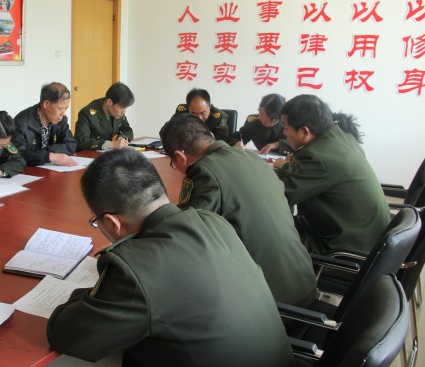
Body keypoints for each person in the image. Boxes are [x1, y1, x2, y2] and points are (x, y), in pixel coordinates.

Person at [46, 149, 293, 366]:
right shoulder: (213, 222)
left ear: (111, 223)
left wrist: (90, 293)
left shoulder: (134, 269)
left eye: (96, 222)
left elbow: (66, 337)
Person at [160, 113, 316, 307]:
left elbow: (186, 238)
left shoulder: (205, 172)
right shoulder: (253, 158)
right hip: (304, 283)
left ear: (179, 156)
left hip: (271, 303)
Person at [273, 94, 390, 255]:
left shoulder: (315, 157)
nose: (284, 133)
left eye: (286, 127)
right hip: (367, 237)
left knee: (262, 231)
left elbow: (277, 195)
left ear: (305, 131)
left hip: (345, 247)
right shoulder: (342, 136)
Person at [12, 82, 78, 166]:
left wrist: (47, 154)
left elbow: (71, 144)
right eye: (60, 109)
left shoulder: (60, 119)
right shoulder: (21, 123)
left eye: (66, 108)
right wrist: (49, 156)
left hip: (48, 169)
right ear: (46, 104)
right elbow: (17, 156)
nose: (63, 113)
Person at [74, 82, 134, 151]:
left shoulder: (117, 112)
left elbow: (127, 130)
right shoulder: (87, 114)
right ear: (109, 102)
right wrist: (111, 144)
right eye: (121, 107)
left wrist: (122, 139)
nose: (124, 112)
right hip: (88, 154)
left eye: (125, 107)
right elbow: (81, 141)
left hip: (109, 153)